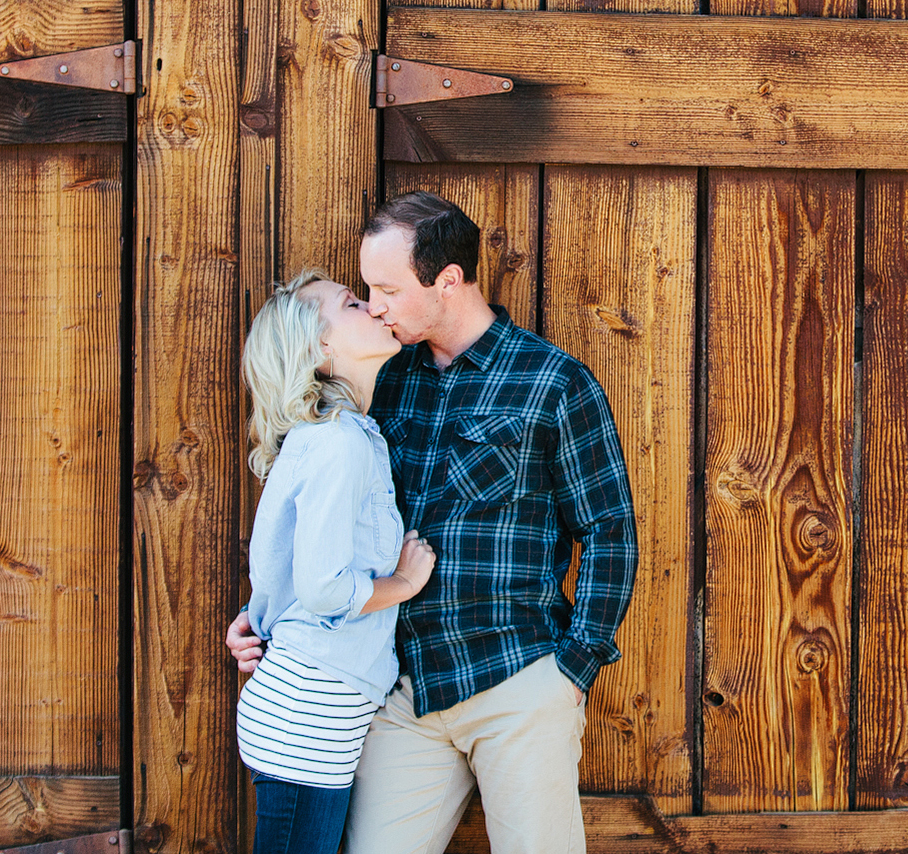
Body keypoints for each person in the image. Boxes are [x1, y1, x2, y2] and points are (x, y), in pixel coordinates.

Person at [228, 191, 638, 854]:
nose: (376, 304)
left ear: (447, 281)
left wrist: (573, 667)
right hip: (401, 692)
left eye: (386, 287)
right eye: (365, 291)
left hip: (516, 679)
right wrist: (265, 615)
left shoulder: (552, 382)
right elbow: (317, 518)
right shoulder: (378, 379)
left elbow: (609, 529)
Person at [237, 268, 439, 854]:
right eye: (352, 304)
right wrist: (403, 582)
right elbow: (324, 587)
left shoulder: (334, 437)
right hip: (308, 719)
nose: (373, 309)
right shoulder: (339, 443)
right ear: (320, 349)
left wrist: (256, 619)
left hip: (311, 711)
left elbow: (278, 568)